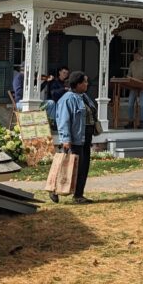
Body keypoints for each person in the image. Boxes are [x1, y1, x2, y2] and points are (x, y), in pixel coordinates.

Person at [55, 71, 96, 204]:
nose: (87, 84)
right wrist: (66, 139)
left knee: (83, 168)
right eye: (84, 81)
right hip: (75, 139)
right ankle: (54, 189)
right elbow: (63, 121)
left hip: (85, 138)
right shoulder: (67, 99)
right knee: (71, 167)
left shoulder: (84, 97)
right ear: (77, 84)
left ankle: (78, 195)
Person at [127, 50, 143, 127]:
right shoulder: (132, 63)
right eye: (134, 56)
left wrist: (140, 80)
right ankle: (130, 122)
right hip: (133, 86)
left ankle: (142, 122)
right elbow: (129, 74)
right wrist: (128, 78)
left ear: (140, 55)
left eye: (136, 55)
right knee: (130, 103)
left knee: (142, 104)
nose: (135, 57)